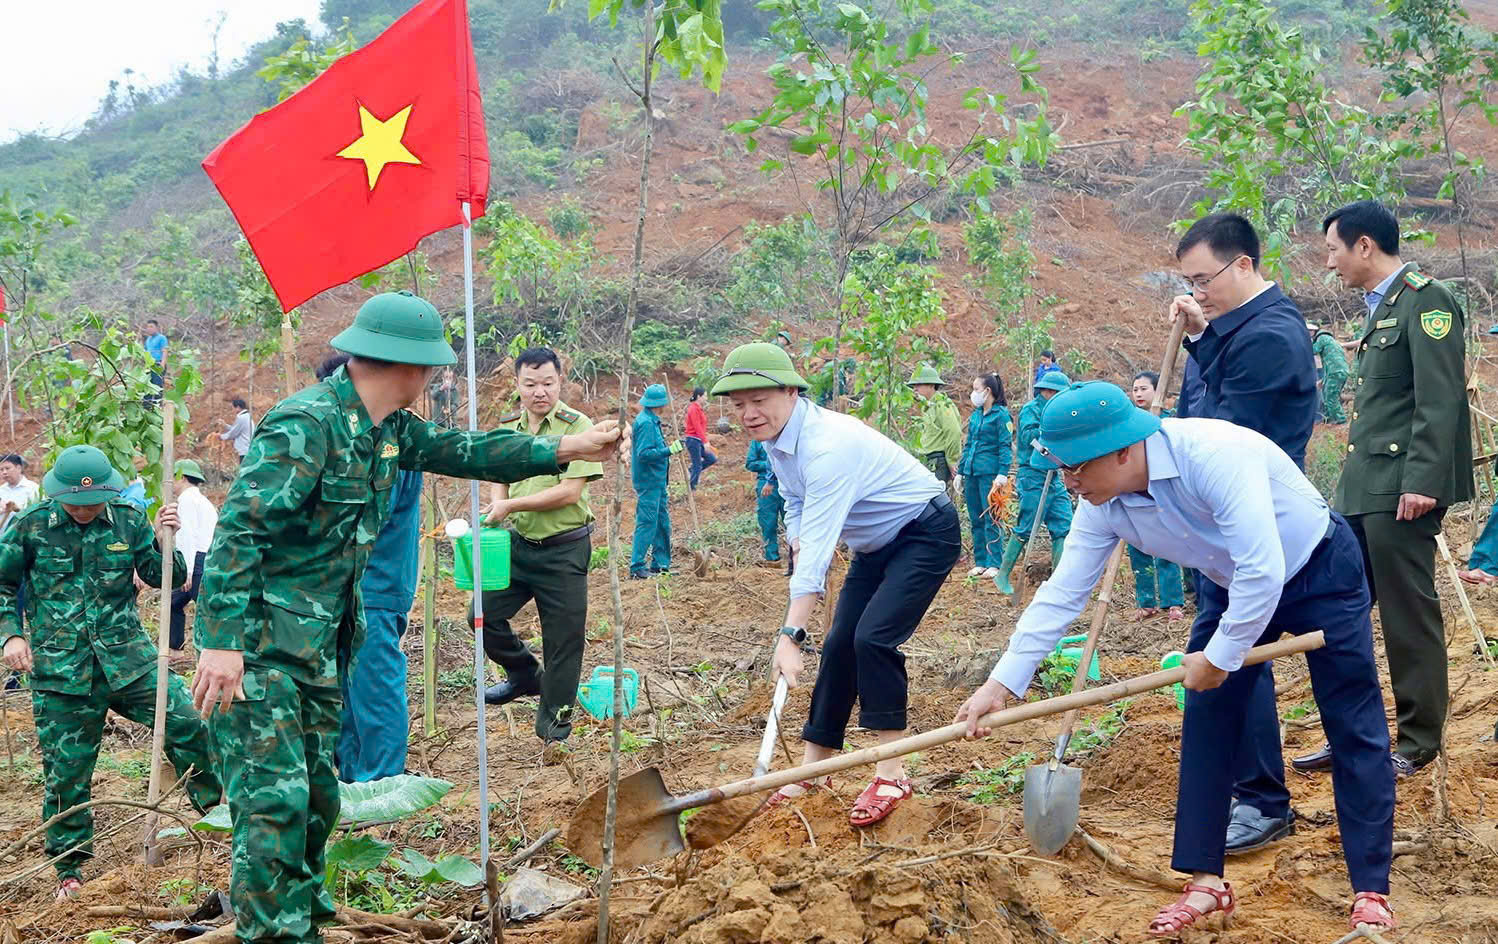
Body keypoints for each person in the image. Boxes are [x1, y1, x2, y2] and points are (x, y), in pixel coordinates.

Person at [189, 292, 624, 944]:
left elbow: (470, 451)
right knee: (273, 806)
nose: (434, 379)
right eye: (430, 367)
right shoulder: (304, 425)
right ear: (404, 365)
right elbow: (239, 535)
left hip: (319, 647)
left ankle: (299, 920)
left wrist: (567, 445)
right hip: (261, 650)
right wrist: (221, 645)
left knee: (316, 800)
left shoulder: (389, 429)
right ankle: (272, 931)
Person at [955, 381, 1396, 935]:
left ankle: (1370, 888)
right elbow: (1063, 595)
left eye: (1076, 469)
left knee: (1351, 719)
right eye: (1059, 469)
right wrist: (1002, 683)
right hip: (1227, 581)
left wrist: (1222, 655)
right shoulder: (1103, 502)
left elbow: (1263, 569)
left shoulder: (1214, 456)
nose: (1068, 482)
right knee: (1208, 716)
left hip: (1315, 569)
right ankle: (1205, 882)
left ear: (1123, 450)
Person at [712, 343, 959, 826]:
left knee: (873, 638)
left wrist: (790, 636)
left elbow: (819, 558)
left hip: (924, 532)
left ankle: (893, 773)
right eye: (738, 404)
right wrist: (799, 536)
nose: (748, 413)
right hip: (873, 545)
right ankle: (813, 770)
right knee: (842, 642)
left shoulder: (828, 447)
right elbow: (794, 500)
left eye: (758, 399)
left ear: (790, 391)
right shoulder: (778, 441)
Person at [1292, 200, 1473, 779]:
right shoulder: (1380, 309)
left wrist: (1422, 481)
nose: (1329, 263)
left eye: (1333, 249)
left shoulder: (1427, 300)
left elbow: (1439, 399)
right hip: (1362, 489)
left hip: (1401, 490)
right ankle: (1354, 734)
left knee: (1405, 614)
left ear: (1364, 245)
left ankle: (1418, 740)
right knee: (1341, 613)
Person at [0, 446, 220, 902]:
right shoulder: (32, 524)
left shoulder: (127, 518)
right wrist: (11, 636)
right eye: (74, 503)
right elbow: (2, 584)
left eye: (92, 502)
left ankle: (217, 816)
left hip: (129, 660)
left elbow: (167, 577)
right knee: (67, 774)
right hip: (62, 672)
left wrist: (166, 539)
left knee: (189, 722)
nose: (82, 510)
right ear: (57, 494)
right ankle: (70, 869)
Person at [1169, 211, 1318, 854]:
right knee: (1226, 654)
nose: (1197, 292)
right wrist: (1202, 337)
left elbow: (1225, 435)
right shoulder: (1240, 329)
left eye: (1204, 280)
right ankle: (1245, 791)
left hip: (1254, 527)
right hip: (1221, 525)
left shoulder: (1271, 337)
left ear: (1245, 266)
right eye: (1189, 282)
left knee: (1236, 656)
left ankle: (1260, 798)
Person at [300, 353, 425, 785]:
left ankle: (382, 780)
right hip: (350, 583)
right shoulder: (360, 438)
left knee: (372, 683)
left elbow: (369, 519)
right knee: (346, 688)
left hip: (376, 581)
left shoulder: (390, 441)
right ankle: (353, 775)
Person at [477, 347, 603, 763]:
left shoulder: (577, 427)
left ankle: (554, 731)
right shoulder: (509, 425)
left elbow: (570, 492)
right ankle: (524, 674)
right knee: (481, 614)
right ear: (517, 385)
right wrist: (499, 504)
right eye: (530, 384)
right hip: (518, 546)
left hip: (565, 549)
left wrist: (511, 506)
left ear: (560, 381)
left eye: (547, 383)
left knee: (563, 642)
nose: (539, 392)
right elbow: (500, 473)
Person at [991, 371, 1073, 596]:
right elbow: (1029, 437)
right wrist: (1050, 429)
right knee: (1027, 525)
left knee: (1063, 524)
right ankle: (1002, 575)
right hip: (1033, 474)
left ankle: (1058, 581)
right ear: (1047, 392)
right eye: (1057, 394)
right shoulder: (1031, 409)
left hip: (1054, 474)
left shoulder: (1062, 411)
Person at [1125, 372, 1186, 621]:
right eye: (1135, 389)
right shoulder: (1129, 423)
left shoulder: (1169, 421)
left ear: (1156, 392)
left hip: (1163, 491)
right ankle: (1146, 602)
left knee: (1167, 547)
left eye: (1143, 389)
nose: (1138, 394)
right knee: (1138, 546)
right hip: (1135, 491)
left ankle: (1173, 603)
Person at [956, 374, 1013, 579]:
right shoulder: (977, 415)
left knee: (992, 517)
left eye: (976, 388)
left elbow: (1005, 446)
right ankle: (981, 561)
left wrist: (1002, 473)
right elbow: (969, 444)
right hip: (972, 471)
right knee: (975, 517)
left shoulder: (1001, 416)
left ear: (987, 391)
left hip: (989, 473)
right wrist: (961, 471)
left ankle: (994, 562)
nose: (973, 393)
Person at [629, 384, 677, 579]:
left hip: (657, 481)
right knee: (647, 522)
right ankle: (637, 567)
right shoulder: (646, 423)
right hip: (648, 482)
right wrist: (669, 450)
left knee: (661, 523)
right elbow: (644, 454)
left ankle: (660, 564)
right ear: (661, 404)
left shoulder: (651, 420)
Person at [171, 459, 217, 660]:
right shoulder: (204, 502)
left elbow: (187, 535)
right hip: (208, 557)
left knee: (205, 606)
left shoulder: (187, 501)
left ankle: (211, 650)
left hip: (197, 559)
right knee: (175, 603)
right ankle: (176, 649)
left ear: (181, 477)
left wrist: (186, 570)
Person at [908, 365, 961, 486]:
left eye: (919, 385)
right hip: (927, 460)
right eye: (914, 386)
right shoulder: (927, 406)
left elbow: (953, 432)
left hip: (938, 461)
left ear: (932, 385)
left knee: (934, 498)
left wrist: (951, 460)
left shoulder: (942, 404)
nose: (915, 389)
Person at [746, 437, 785, 563]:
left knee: (793, 521)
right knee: (768, 522)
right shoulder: (758, 440)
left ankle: (796, 558)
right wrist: (771, 463)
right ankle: (772, 558)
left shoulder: (786, 436)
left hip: (788, 482)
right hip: (765, 485)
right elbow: (750, 463)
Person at [1309, 322, 1350, 424]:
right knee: (1327, 394)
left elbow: (1313, 350)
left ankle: (1341, 420)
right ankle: (1327, 418)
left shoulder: (1322, 338)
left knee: (1330, 397)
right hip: (1337, 371)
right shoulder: (1328, 338)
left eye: (1309, 331)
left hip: (1335, 371)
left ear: (1314, 331)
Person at [683, 386, 718, 490]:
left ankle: (692, 470)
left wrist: (704, 440)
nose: (706, 398)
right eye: (705, 396)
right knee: (697, 465)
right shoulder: (693, 408)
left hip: (697, 440)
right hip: (693, 440)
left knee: (711, 458)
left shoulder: (698, 408)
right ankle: (692, 488)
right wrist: (705, 442)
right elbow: (697, 426)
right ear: (699, 396)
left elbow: (701, 427)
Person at [0, 454, 40, 532]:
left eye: (7, 468)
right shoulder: (1, 490)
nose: (4, 472)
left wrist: (17, 509)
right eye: (1, 470)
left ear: (19, 468)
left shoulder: (33, 489)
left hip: (24, 536)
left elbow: (38, 514)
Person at [143, 319, 167, 401]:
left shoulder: (161, 338)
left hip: (158, 364)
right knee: (148, 384)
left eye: (151, 326)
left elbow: (164, 351)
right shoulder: (148, 340)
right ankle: (147, 405)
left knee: (157, 385)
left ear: (156, 328)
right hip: (149, 365)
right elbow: (146, 352)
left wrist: (162, 364)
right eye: (148, 327)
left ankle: (158, 404)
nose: (149, 328)